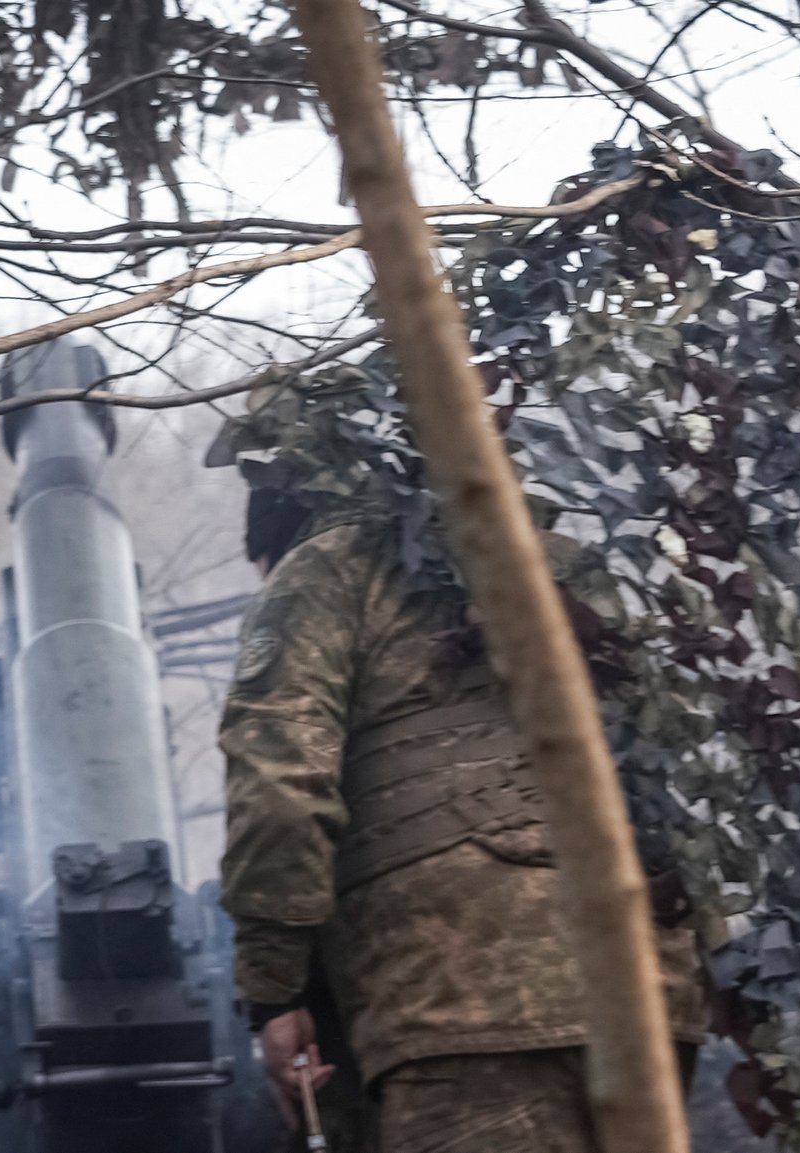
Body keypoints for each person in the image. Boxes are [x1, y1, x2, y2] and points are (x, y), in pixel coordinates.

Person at [210, 363, 707, 1153]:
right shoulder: (559, 559)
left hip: (462, 1005)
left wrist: (272, 992)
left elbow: (279, 788)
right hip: (649, 991)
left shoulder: (329, 572)